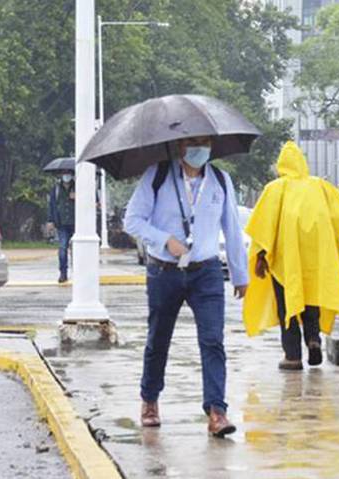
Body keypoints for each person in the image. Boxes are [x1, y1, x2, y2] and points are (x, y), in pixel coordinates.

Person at [124, 136, 248, 437]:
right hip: (164, 271)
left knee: (212, 340)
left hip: (206, 272)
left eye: (205, 142)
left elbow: (232, 227)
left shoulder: (220, 179)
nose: (199, 148)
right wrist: (165, 240)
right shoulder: (158, 175)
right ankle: (149, 400)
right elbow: (132, 221)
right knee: (158, 339)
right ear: (180, 145)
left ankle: (217, 410)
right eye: (193, 142)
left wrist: (239, 272)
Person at [243, 141, 339, 370]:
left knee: (287, 305)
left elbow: (263, 228)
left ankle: (293, 355)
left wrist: (260, 257)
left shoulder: (275, 189)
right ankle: (313, 339)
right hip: (316, 260)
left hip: (284, 261)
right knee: (311, 301)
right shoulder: (320, 186)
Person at [47, 172, 76, 283]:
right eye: (64, 174)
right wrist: (50, 220)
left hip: (76, 223)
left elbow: (91, 200)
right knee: (62, 248)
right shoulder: (56, 189)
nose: (66, 176)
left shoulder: (78, 187)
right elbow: (51, 205)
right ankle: (63, 273)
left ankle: (78, 272)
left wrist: (78, 197)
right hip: (61, 223)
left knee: (77, 250)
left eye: (68, 173)